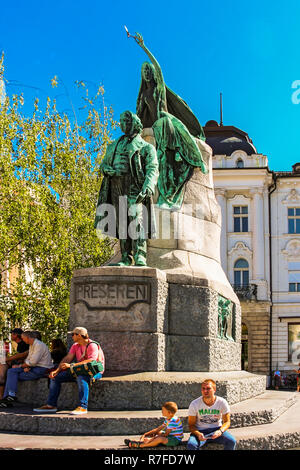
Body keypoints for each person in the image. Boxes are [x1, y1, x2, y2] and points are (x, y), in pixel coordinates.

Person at [133, 33, 207, 210]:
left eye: (148, 70)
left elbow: (159, 68)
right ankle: (172, 159)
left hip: (166, 119)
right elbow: (139, 115)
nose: (147, 73)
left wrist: (144, 47)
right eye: (144, 72)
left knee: (176, 126)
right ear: (142, 76)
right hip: (156, 126)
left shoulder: (159, 88)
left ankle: (195, 158)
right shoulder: (143, 95)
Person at [94, 110, 158, 266]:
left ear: (134, 124)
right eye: (121, 121)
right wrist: (105, 169)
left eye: (125, 121)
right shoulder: (113, 145)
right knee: (122, 221)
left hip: (134, 185)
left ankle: (140, 255)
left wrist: (148, 186)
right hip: (115, 184)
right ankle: (125, 257)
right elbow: (104, 164)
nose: (122, 124)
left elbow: (152, 168)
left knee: (136, 219)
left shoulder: (146, 147)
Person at [33, 327, 105, 415]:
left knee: (81, 377)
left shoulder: (92, 345)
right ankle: (51, 405)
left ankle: (83, 407)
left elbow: (91, 360)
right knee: (55, 378)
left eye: (73, 334)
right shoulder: (75, 345)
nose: (72, 337)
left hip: (94, 371)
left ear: (79, 335)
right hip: (79, 369)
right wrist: (57, 371)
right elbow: (67, 359)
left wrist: (71, 365)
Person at [0, 331, 53, 408]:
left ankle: (8, 398)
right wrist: (26, 366)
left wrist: (21, 366)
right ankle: (9, 396)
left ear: (28, 338)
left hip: (41, 369)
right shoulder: (32, 345)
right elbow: (28, 360)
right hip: (33, 367)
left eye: (23, 338)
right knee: (11, 372)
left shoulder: (39, 345)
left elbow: (32, 362)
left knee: (12, 374)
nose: (22, 340)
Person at [187, 379, 236, 451]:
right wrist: (198, 434)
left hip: (217, 430)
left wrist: (220, 431)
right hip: (201, 431)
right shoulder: (194, 404)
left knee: (232, 441)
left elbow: (227, 422)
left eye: (208, 388)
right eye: (203, 389)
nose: (205, 391)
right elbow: (191, 425)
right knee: (191, 445)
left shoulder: (222, 402)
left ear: (214, 389)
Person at [0, 328, 30, 399]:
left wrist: (7, 359)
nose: (11, 336)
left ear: (16, 335)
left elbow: (23, 356)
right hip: (22, 364)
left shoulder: (24, 344)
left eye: (12, 334)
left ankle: (3, 396)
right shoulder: (20, 344)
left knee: (3, 367)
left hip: (26, 365)